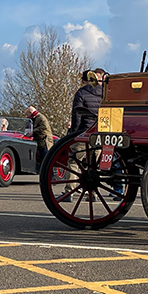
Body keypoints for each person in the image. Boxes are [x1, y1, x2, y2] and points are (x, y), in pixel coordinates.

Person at [61, 70, 103, 201]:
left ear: (83, 81)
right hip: (99, 133)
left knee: (73, 162)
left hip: (85, 132)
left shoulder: (81, 93)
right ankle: (93, 193)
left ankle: (69, 191)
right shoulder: (103, 93)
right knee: (93, 164)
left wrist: (74, 132)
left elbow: (77, 114)